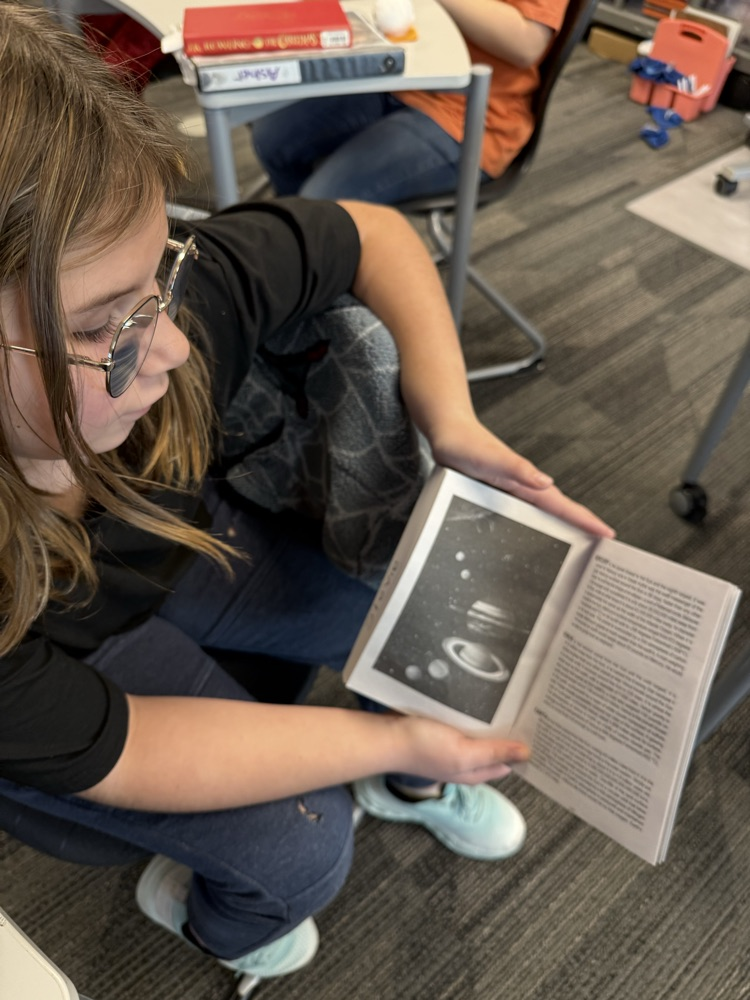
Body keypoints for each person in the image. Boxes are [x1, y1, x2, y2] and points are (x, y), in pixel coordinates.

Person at [0, 2, 612, 987]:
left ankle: (407, 780)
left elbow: (369, 234)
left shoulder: (163, 321)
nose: (171, 347)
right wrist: (380, 735)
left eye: (156, 284)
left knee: (398, 612)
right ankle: (223, 924)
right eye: (103, 328)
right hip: (59, 661)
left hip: (164, 553)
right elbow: (131, 747)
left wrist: (447, 414)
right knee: (304, 845)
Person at [250, 0, 568, 203]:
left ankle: (321, 264)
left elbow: (526, 43)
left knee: (320, 202)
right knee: (273, 139)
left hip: (472, 116)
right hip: (400, 75)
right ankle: (306, 255)